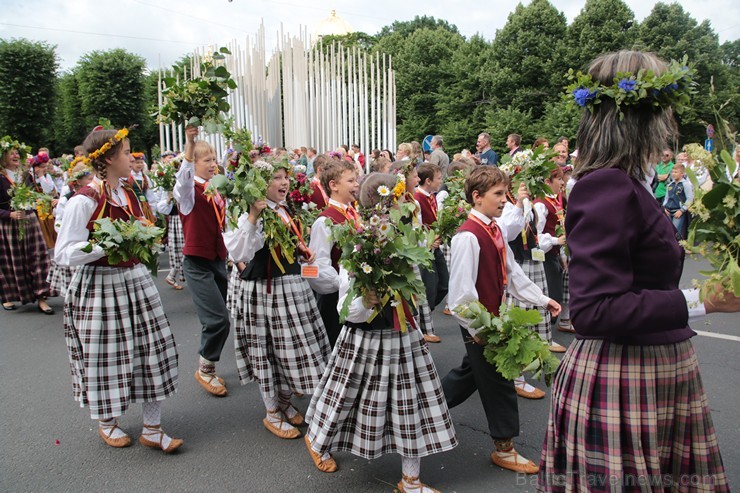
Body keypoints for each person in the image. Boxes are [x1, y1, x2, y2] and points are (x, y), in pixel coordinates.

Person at [538, 50, 734, 492]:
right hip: (623, 374)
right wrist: (703, 300)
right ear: (642, 116)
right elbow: (595, 310)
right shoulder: (606, 184)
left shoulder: (633, 181)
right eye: (664, 104)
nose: (670, 116)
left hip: (648, 367)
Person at [304, 173, 457, 493]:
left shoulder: (404, 238)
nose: (407, 206)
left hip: (402, 333)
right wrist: (367, 299)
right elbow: (346, 306)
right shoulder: (360, 243)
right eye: (400, 201)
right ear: (383, 207)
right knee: (344, 394)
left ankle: (411, 479)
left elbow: (414, 288)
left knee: (409, 403)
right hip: (365, 335)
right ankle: (317, 439)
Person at [56, 127, 181, 451]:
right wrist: (106, 244)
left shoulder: (128, 192)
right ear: (109, 158)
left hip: (135, 282)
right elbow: (65, 253)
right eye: (126, 152)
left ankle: (152, 427)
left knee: (151, 351)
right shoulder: (85, 200)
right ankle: (107, 421)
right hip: (100, 287)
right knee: (108, 357)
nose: (131, 157)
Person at [443, 166, 560, 475]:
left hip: (493, 320)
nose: (503, 201)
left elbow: (513, 273)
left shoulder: (493, 229)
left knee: (469, 376)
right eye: (497, 194)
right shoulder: (467, 236)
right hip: (482, 326)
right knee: (500, 383)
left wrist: (542, 299)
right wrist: (480, 330)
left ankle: (424, 409)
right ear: (477, 197)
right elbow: (459, 297)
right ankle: (504, 448)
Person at [224, 160, 330, 440]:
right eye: (275, 178)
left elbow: (285, 242)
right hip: (265, 291)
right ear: (260, 184)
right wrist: (252, 217)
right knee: (268, 352)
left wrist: (300, 252)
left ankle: (283, 400)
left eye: (285, 177)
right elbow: (238, 251)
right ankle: (272, 411)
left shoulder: (283, 209)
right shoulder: (251, 213)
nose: (284, 182)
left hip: (291, 286)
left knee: (290, 350)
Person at [174, 127, 231, 397]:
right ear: (194, 163)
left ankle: (208, 365)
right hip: (197, 262)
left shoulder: (215, 189)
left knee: (223, 318)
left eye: (214, 159)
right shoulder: (188, 192)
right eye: (206, 160)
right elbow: (182, 180)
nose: (213, 164)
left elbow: (222, 225)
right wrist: (189, 143)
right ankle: (205, 368)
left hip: (217, 259)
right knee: (217, 319)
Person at [307, 160, 361, 346]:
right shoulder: (325, 221)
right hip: (335, 297)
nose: (356, 185)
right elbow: (318, 265)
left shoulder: (353, 213)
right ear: (333, 185)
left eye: (356, 180)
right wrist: (342, 282)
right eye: (351, 181)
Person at [0, 140, 55, 313]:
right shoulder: (1, 177)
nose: (16, 155)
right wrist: (9, 214)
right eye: (12, 153)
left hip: (30, 220)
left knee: (38, 258)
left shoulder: (26, 174)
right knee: (12, 261)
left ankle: (41, 297)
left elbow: (34, 195)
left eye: (18, 152)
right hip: (10, 223)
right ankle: (8, 295)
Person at [413, 162, 449, 340]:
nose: (441, 181)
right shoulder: (417, 199)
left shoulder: (431, 196)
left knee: (444, 282)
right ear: (428, 181)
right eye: (439, 178)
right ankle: (424, 325)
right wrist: (428, 242)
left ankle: (427, 313)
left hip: (435, 246)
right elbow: (417, 228)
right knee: (429, 287)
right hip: (426, 249)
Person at [533, 168, 568, 334]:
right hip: (543, 257)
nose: (562, 183)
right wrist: (556, 241)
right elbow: (536, 237)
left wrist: (561, 253)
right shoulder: (541, 204)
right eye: (559, 179)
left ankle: (544, 335)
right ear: (547, 182)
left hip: (552, 255)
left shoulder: (552, 201)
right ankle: (541, 336)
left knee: (555, 295)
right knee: (551, 296)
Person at [662, 162, 693, 240]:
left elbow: (690, 199)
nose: (673, 174)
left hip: (678, 211)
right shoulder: (670, 185)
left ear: (682, 173)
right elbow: (667, 198)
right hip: (668, 211)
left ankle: (679, 248)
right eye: (672, 172)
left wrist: (682, 210)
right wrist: (664, 208)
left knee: (676, 231)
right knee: (668, 230)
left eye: (676, 172)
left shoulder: (685, 184)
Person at [128, 152, 158, 225]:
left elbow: (150, 194)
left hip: (144, 206)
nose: (140, 165)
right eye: (137, 162)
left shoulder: (145, 177)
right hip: (132, 205)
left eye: (141, 162)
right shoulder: (128, 176)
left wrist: (152, 211)